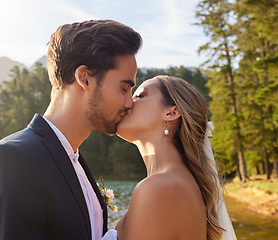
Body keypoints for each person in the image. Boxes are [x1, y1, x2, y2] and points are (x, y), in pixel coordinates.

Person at [0, 19, 142, 240]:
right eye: (124, 88)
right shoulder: (12, 160)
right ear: (84, 78)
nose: (129, 103)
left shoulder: (77, 164)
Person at [101, 76, 237, 240]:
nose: (128, 102)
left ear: (171, 112)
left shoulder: (160, 188)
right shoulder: (175, 184)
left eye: (140, 96)